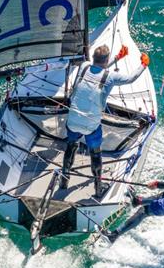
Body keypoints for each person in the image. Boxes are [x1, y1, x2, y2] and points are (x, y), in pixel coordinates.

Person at [61, 44, 150, 198]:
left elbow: (96, 70)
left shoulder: (83, 67)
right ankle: (98, 188)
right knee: (95, 154)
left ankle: (64, 181)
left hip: (73, 120)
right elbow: (130, 78)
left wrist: (116, 58)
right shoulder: (111, 77)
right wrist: (143, 65)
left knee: (70, 146)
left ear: (93, 58)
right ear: (106, 60)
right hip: (91, 126)